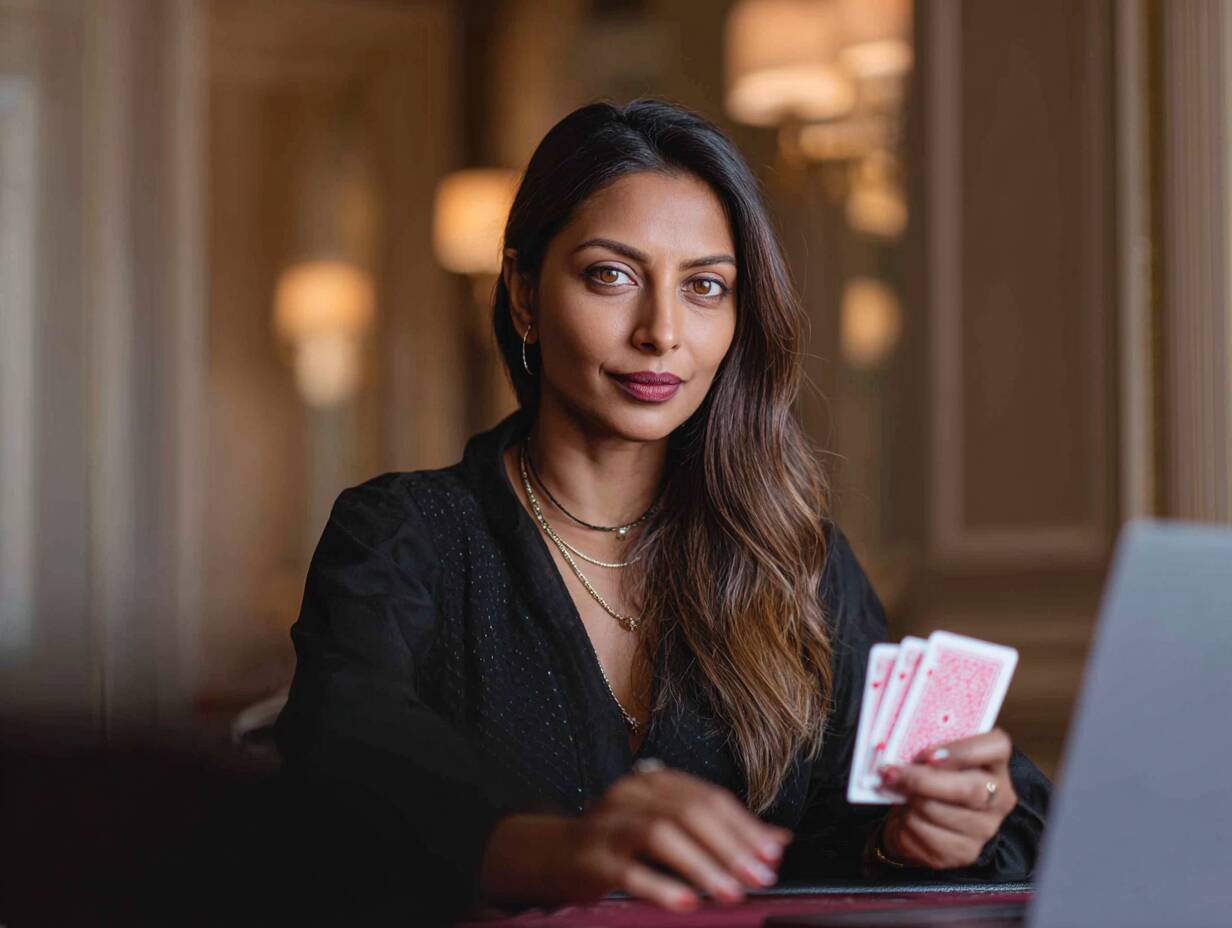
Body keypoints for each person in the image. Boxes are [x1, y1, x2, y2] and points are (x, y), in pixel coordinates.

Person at [272, 97, 1050, 924]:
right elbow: (346, 760)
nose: (662, 332)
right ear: (526, 294)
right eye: (612, 275)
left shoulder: (795, 561)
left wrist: (920, 839)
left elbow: (862, 842)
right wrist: (560, 851)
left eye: (705, 287)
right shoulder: (405, 535)